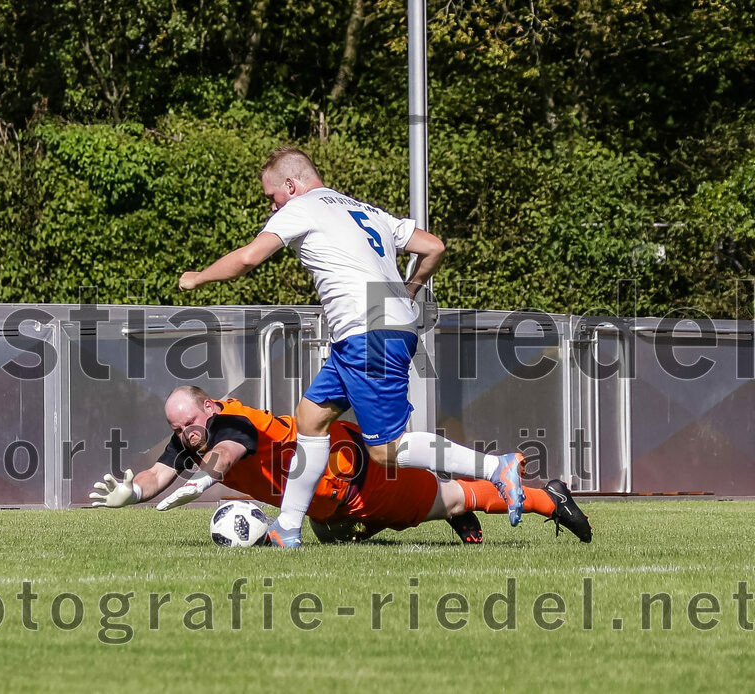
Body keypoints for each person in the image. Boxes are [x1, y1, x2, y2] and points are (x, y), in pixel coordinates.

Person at [178, 147, 526, 547]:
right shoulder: (365, 210)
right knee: (310, 419)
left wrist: (198, 278)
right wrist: (407, 292)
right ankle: (287, 528)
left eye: (271, 197)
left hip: (368, 333)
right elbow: (434, 246)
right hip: (370, 331)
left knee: (385, 451)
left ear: (291, 186)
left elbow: (247, 259)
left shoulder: (301, 207)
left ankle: (497, 466)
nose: (270, 206)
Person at [88, 386, 593, 544]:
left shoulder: (230, 425)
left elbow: (226, 455)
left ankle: (551, 498)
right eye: (177, 428)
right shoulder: (191, 440)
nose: (184, 434)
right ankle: (451, 493)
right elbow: (159, 473)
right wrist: (131, 492)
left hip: (353, 474)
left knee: (450, 499)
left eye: (189, 422)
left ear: (211, 408)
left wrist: (201, 481)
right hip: (324, 499)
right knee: (331, 537)